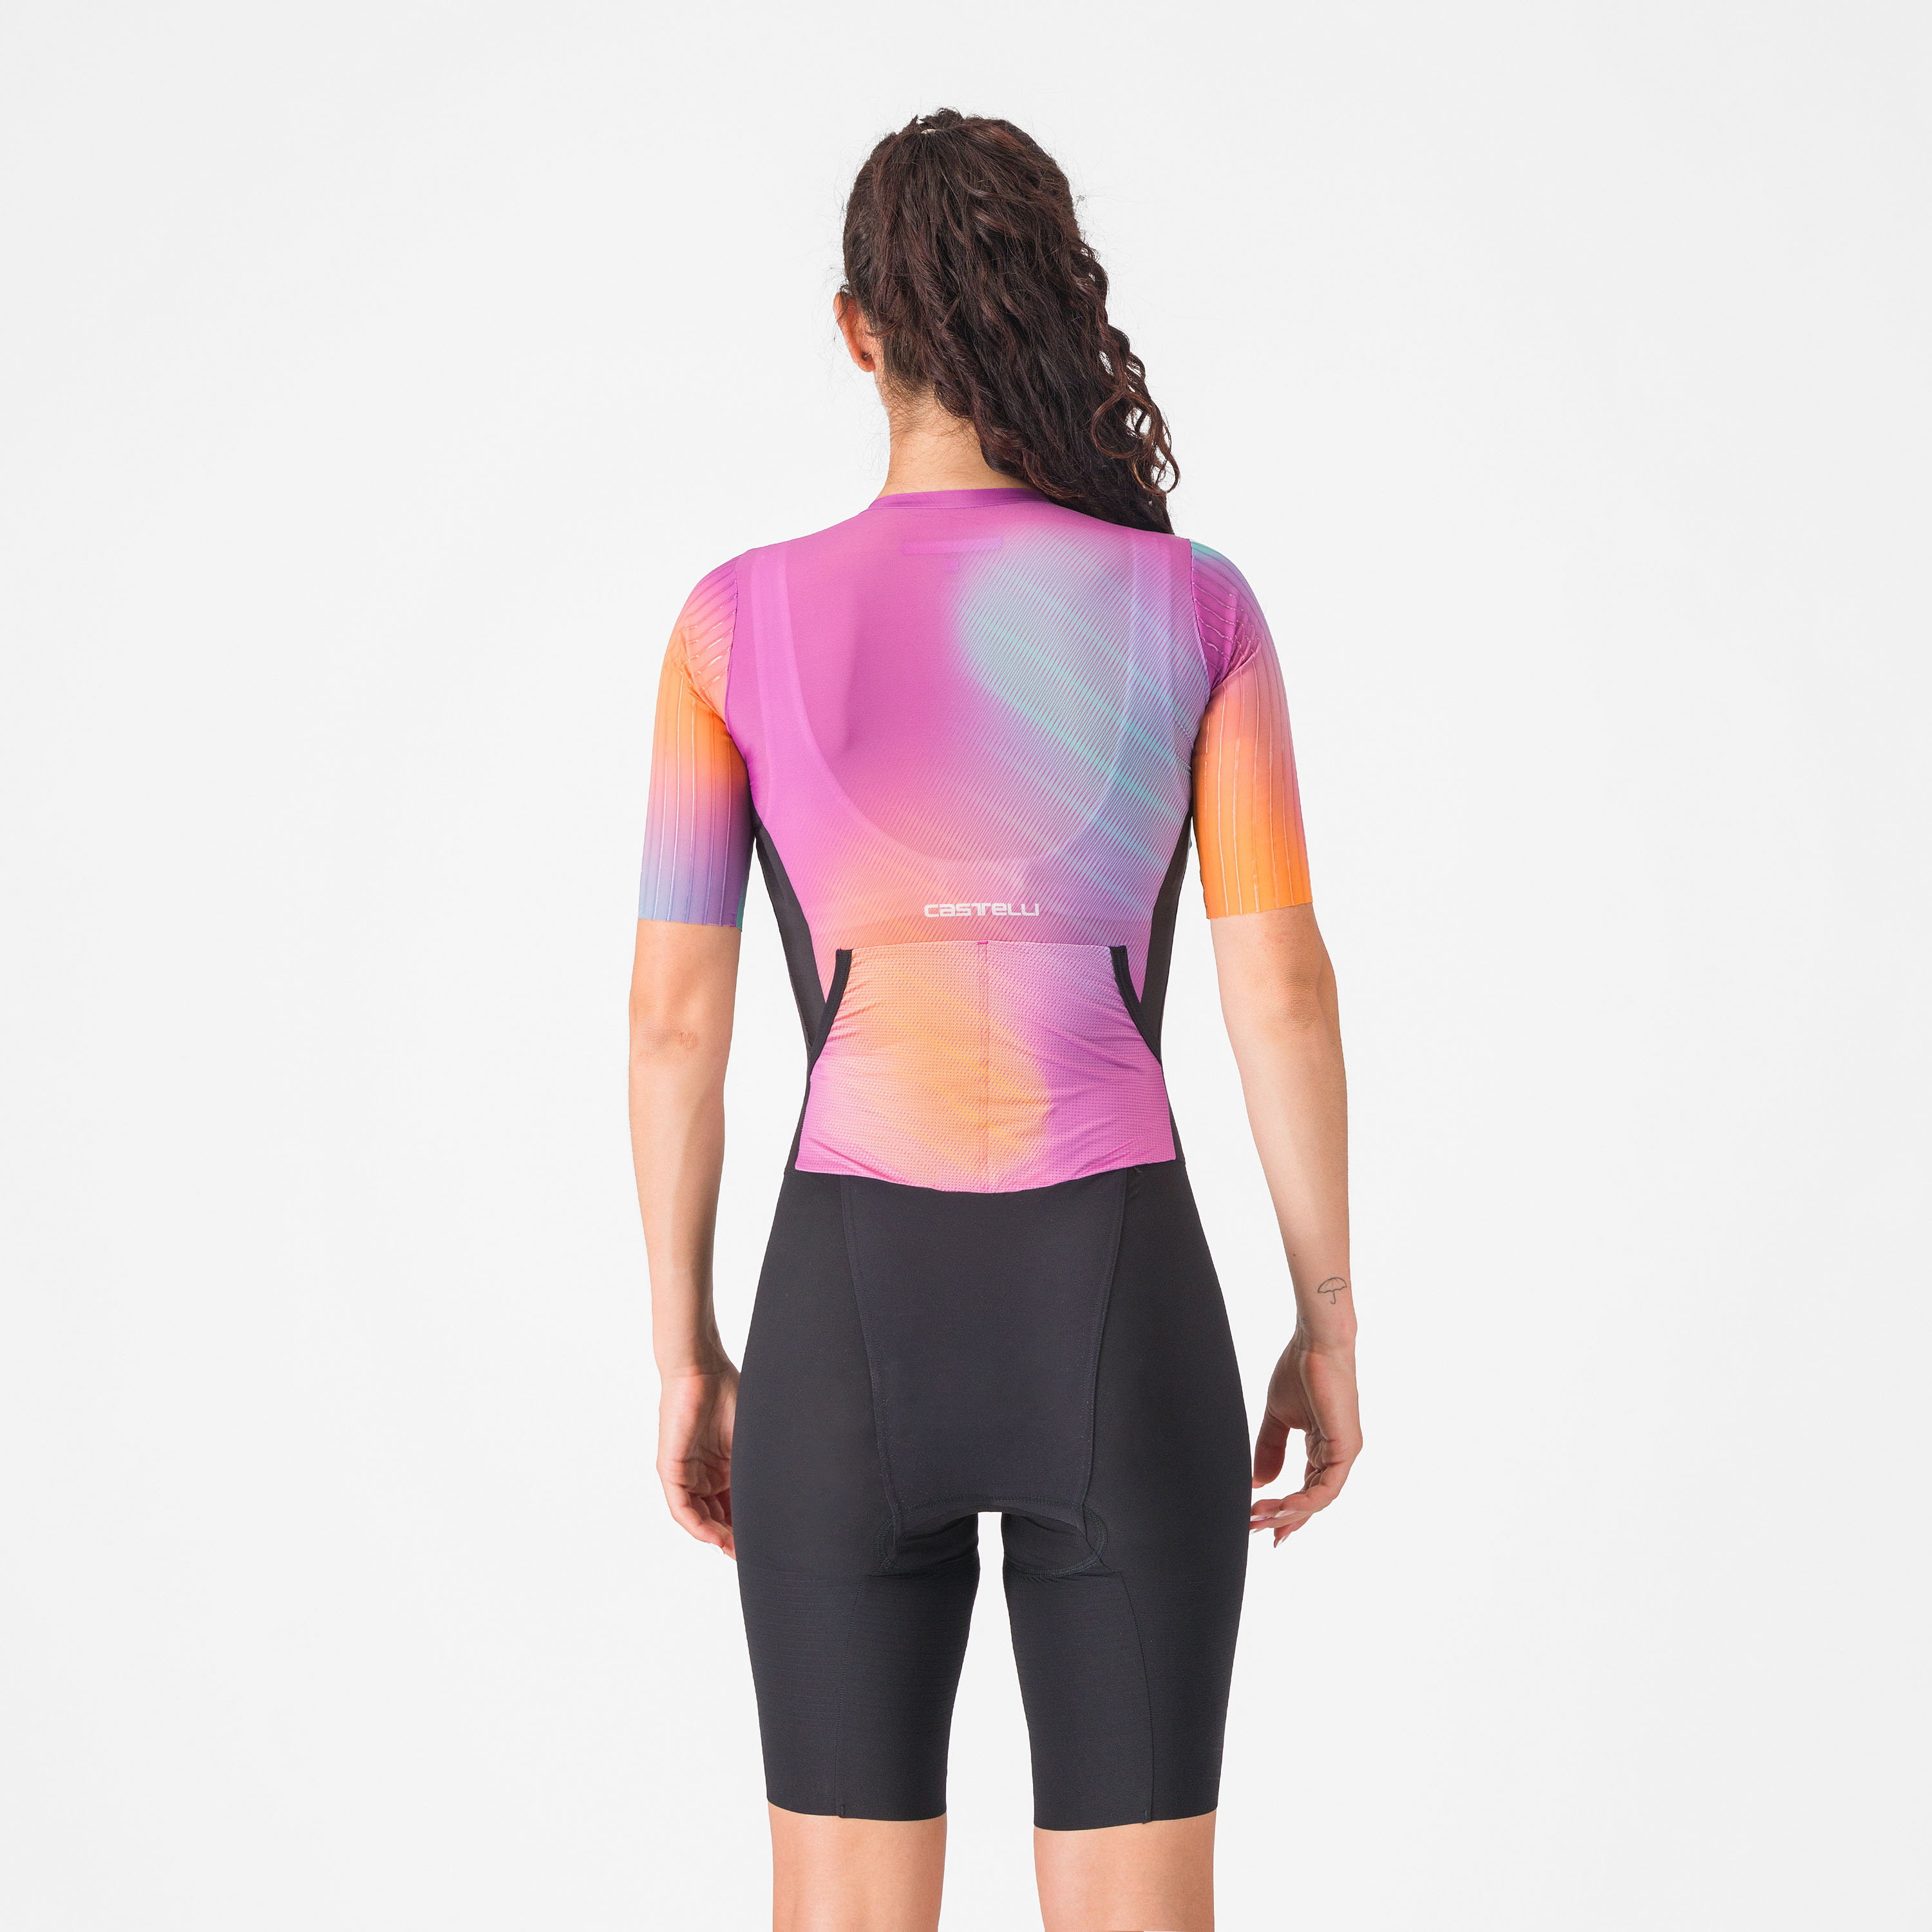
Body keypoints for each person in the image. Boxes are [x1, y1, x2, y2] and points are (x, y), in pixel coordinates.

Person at [629, 109, 1359, 1932]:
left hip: (840, 1316)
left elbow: (673, 1026)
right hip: (1119, 1306)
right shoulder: (1198, 611)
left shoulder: (730, 627)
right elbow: (1276, 985)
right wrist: (1327, 1318)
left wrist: (689, 1348)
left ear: (855, 332)